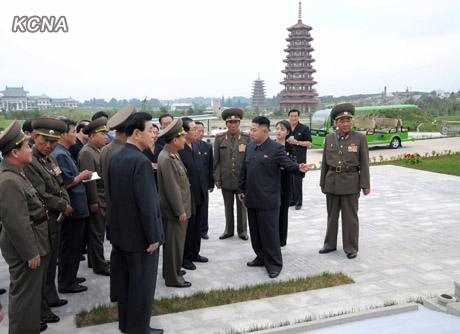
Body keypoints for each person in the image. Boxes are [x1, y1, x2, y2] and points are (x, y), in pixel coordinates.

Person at [108, 112, 164, 334]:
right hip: (140, 238)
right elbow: (147, 204)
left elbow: (114, 197)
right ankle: (139, 328)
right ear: (137, 132)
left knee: (125, 284)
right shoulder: (140, 161)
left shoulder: (118, 156)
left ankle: (127, 325)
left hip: (122, 234)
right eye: (150, 130)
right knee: (141, 286)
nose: (153, 134)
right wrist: (154, 236)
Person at [238, 116, 313, 279]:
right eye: (250, 129)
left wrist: (300, 167)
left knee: (270, 234)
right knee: (256, 232)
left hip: (268, 199)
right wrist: (240, 189)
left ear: (265, 131)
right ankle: (261, 257)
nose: (251, 133)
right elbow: (244, 170)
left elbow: (288, 165)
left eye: (254, 130)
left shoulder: (275, 148)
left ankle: (274, 264)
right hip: (252, 197)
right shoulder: (250, 148)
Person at [0, 120, 50, 333]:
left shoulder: (16, 172)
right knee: (24, 299)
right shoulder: (9, 180)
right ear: (14, 152)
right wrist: (30, 252)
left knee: (29, 298)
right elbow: (16, 222)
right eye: (26, 146)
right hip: (24, 249)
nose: (30, 149)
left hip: (30, 242)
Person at [23, 118, 72, 325]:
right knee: (42, 268)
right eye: (45, 141)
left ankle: (50, 297)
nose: (49, 145)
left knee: (52, 262)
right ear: (34, 137)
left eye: (53, 141)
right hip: (44, 220)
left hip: (56, 219)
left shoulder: (50, 159)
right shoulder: (30, 161)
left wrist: (65, 203)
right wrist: (63, 206)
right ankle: (42, 308)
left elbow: (60, 183)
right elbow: (40, 194)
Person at [319, 103, 370, 259]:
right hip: (332, 182)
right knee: (331, 216)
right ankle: (330, 245)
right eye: (342, 121)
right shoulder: (329, 138)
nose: (346, 124)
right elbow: (325, 163)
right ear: (336, 123)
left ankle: (351, 247)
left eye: (348, 120)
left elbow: (365, 163)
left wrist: (365, 185)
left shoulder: (360, 138)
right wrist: (322, 183)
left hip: (351, 183)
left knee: (350, 218)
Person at [100, 104, 137, 303]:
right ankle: (123, 293)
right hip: (124, 214)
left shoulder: (106, 149)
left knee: (117, 254)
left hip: (111, 211)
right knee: (126, 258)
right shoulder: (124, 152)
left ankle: (116, 292)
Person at [53, 118, 92, 293]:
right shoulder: (59, 154)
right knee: (69, 248)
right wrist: (82, 176)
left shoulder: (64, 152)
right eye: (73, 131)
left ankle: (71, 277)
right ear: (63, 134)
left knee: (75, 247)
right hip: (72, 208)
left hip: (78, 207)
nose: (75, 135)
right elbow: (65, 182)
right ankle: (66, 283)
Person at [157, 118, 193, 288]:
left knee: (176, 246)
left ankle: (172, 271)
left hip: (177, 210)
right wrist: (180, 211)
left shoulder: (172, 154)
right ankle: (173, 278)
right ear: (175, 140)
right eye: (183, 137)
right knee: (174, 246)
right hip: (174, 212)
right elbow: (172, 189)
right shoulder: (168, 158)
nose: (185, 140)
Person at [78, 118, 110, 276]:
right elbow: (89, 179)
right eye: (102, 133)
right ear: (92, 136)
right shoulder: (86, 152)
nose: (106, 136)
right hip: (97, 196)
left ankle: (96, 259)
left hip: (102, 196)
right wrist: (94, 200)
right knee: (96, 234)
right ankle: (99, 265)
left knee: (98, 233)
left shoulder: (96, 150)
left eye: (106, 133)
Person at [213, 108, 250, 240]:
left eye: (235, 122)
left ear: (239, 123)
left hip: (241, 180)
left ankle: (242, 231)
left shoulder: (246, 138)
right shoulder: (220, 138)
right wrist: (217, 178)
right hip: (226, 179)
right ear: (226, 124)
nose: (233, 125)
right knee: (228, 206)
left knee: (242, 207)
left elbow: (249, 161)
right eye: (230, 122)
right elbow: (216, 161)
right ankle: (228, 230)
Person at [178, 117, 209, 270]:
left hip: (200, 194)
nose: (197, 132)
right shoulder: (180, 149)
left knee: (197, 227)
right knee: (188, 229)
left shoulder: (195, 146)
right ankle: (185, 257)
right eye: (194, 129)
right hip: (188, 197)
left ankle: (195, 252)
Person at [274, 120, 297, 249]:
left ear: (288, 132)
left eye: (282, 129)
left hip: (286, 182)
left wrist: (283, 166)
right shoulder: (270, 146)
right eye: (277, 128)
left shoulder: (290, 148)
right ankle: (272, 238)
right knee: (272, 211)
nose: (278, 131)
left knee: (283, 211)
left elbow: (292, 165)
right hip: (272, 182)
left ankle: (281, 240)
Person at [287, 109, 312, 210]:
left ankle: (298, 202)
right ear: (288, 117)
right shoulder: (286, 128)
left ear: (298, 117)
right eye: (291, 116)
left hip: (299, 158)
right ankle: (291, 200)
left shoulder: (304, 128)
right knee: (289, 180)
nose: (293, 118)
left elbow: (309, 142)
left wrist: (297, 142)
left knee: (297, 180)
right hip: (288, 158)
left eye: (295, 116)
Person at [195, 121, 214, 239]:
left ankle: (203, 230)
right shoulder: (187, 146)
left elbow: (210, 166)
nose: (201, 133)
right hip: (193, 183)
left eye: (202, 131)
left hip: (204, 182)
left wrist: (211, 184)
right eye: (197, 130)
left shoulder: (207, 146)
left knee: (204, 206)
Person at [143, 123, 164, 188]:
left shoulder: (161, 148)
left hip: (160, 180)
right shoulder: (142, 148)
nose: (154, 135)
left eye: (157, 133)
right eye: (152, 133)